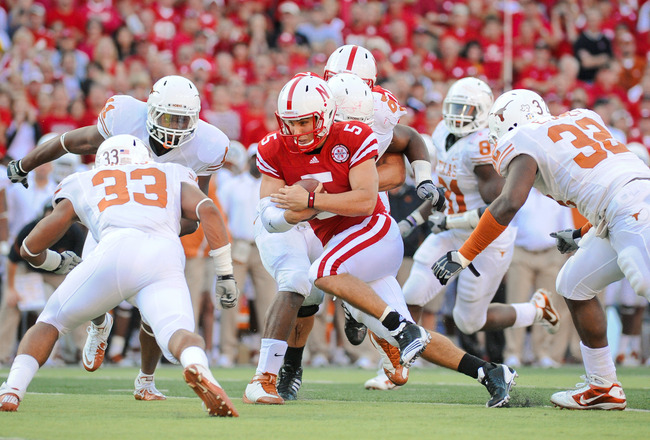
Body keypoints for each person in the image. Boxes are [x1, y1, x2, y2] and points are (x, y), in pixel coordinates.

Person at [246, 74, 516, 409]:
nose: (297, 131)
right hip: (348, 247)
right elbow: (270, 216)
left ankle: (398, 329)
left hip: (372, 232)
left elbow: (365, 200)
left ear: (327, 115)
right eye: (290, 123)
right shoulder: (274, 147)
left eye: (304, 122)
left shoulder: (354, 135)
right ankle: (490, 372)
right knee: (408, 333)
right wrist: (292, 214)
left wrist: (312, 202)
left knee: (320, 273)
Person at [6, 75, 230, 400]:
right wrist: (224, 271)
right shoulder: (171, 171)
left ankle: (12, 389)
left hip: (122, 236)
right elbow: (205, 211)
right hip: (160, 247)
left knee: (65, 306)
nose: (174, 128)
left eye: (183, 119)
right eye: (169, 117)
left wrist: (55, 261)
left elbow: (32, 243)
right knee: (164, 319)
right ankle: (177, 363)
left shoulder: (87, 179)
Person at [433, 89, 650, 410]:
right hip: (626, 206)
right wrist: (579, 233)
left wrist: (464, 254)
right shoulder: (583, 117)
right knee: (573, 285)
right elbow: (608, 183)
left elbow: (508, 203)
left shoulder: (522, 137)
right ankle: (603, 386)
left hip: (631, 212)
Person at [372, 77, 560, 390]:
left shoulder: (482, 146)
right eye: (454, 107)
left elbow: (495, 209)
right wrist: (412, 222)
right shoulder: (443, 132)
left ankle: (536, 310)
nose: (458, 115)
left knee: (468, 320)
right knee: (410, 296)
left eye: (466, 109)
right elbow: (443, 192)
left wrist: (448, 223)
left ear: (484, 112)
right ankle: (394, 366)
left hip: (487, 239)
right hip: (449, 231)